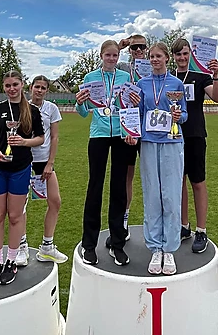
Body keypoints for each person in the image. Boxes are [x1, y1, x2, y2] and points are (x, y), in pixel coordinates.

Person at [127, 41, 187, 275]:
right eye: (151, 56)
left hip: (172, 142)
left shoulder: (176, 84)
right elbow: (138, 113)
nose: (154, 60)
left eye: (158, 56)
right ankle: (155, 248)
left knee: (171, 196)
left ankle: (169, 249)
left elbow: (184, 115)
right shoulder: (142, 84)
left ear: (166, 59)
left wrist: (179, 115)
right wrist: (133, 129)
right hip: (149, 143)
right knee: (152, 194)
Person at [0, 70, 45, 286]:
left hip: (20, 168)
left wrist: (24, 142)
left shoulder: (32, 111)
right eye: (7, 85)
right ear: (4, 87)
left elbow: (40, 138)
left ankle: (11, 261)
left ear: (22, 85)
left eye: (15, 84)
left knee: (15, 216)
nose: (11, 89)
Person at [76, 40, 132, 266]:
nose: (111, 59)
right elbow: (83, 112)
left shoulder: (125, 77)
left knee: (119, 189)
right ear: (101, 55)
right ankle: (89, 245)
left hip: (120, 136)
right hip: (98, 135)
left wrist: (130, 126)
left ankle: (117, 244)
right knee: (95, 188)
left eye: (115, 55)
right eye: (108, 55)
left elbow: (130, 107)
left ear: (118, 57)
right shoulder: (90, 78)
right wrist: (80, 103)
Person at [172, 37, 218, 254]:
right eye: (178, 54)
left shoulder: (201, 76)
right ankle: (184, 226)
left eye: (185, 53)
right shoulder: (169, 77)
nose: (182, 58)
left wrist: (216, 75)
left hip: (194, 135)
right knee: (179, 183)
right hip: (173, 136)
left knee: (198, 182)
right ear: (173, 56)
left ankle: (201, 230)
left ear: (191, 54)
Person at [27, 75, 68, 264]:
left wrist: (50, 163)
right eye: (37, 87)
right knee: (19, 206)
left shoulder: (51, 108)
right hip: (24, 161)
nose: (40, 90)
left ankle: (47, 246)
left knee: (55, 201)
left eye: (43, 88)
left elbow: (55, 137)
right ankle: (20, 246)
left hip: (44, 161)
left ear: (47, 91)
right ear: (31, 87)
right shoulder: (22, 107)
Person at [117, 32, 150, 239]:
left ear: (147, 48)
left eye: (142, 47)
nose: (138, 50)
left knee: (151, 176)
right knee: (126, 176)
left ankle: (153, 220)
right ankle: (124, 218)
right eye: (134, 47)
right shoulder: (122, 68)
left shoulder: (153, 67)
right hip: (128, 127)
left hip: (149, 129)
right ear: (129, 50)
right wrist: (118, 47)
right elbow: (103, 67)